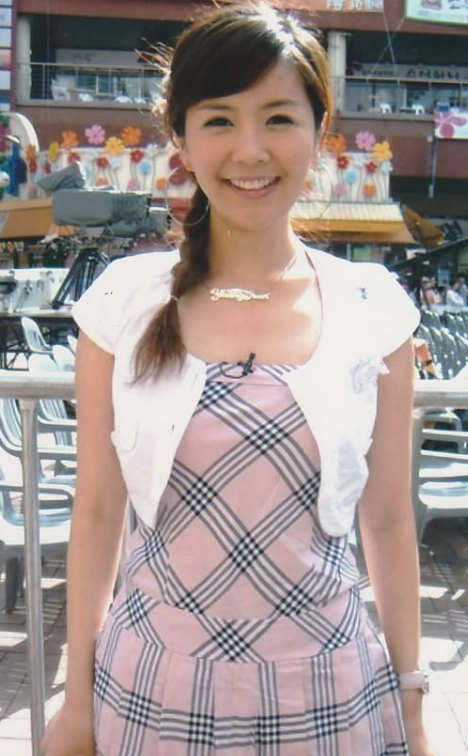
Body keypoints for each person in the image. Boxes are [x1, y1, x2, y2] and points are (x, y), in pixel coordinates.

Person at [41, 3, 433, 755]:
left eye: (278, 118)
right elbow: (97, 511)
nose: (250, 150)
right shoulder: (123, 304)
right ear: (183, 140)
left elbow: (387, 521)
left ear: (320, 131)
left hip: (328, 693)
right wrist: (77, 703)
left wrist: (412, 704)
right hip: (153, 686)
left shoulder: (373, 307)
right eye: (219, 120)